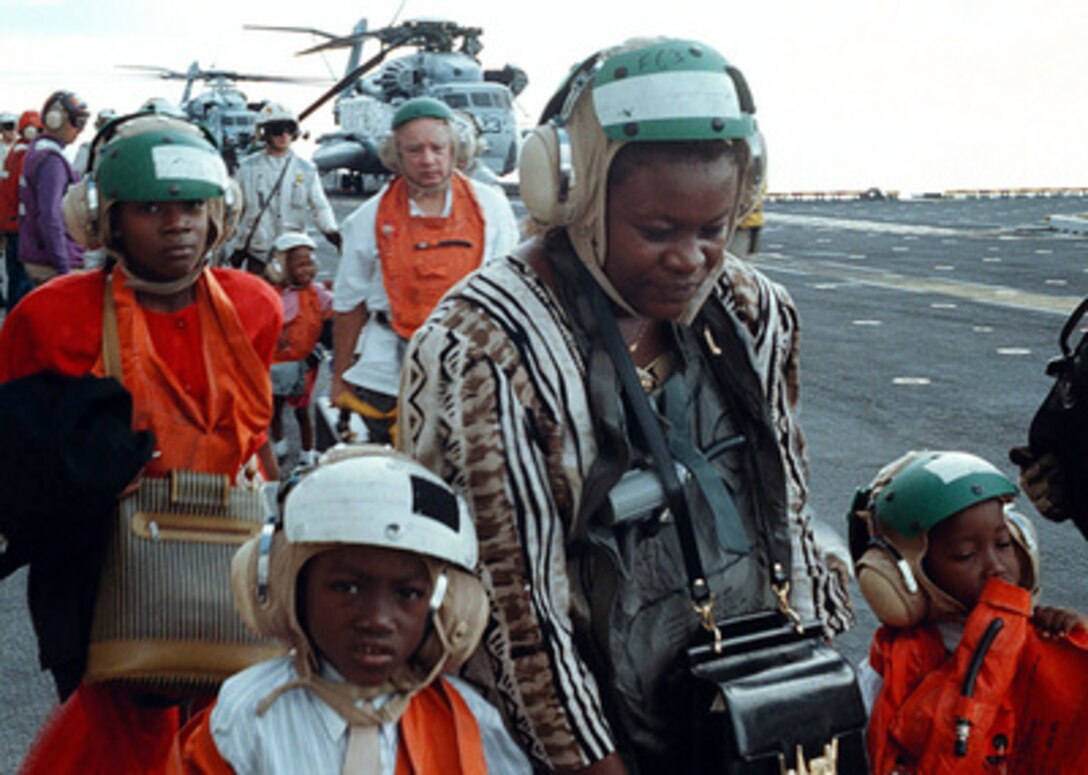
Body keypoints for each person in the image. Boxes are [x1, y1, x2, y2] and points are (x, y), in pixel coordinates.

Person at [398, 38, 853, 772]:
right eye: (657, 230)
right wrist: (588, 756)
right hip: (587, 732)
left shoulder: (751, 308)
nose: (691, 259)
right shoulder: (489, 344)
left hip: (746, 700)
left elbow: (786, 498)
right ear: (569, 192)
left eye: (714, 229)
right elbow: (516, 603)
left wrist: (807, 671)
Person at [4, 112, 283, 774]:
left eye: (191, 206)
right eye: (151, 207)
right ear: (106, 219)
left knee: (229, 730)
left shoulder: (258, 306)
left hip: (233, 563)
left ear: (220, 212)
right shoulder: (47, 316)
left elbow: (253, 434)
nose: (176, 223)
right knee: (119, 737)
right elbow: (17, 454)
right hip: (105, 572)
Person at [170, 445, 531, 774]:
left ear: (448, 607)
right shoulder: (248, 714)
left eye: (407, 593)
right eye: (347, 588)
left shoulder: (466, 721)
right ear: (288, 589)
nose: (377, 619)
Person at [850, 450, 1088, 774]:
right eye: (965, 555)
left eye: (1003, 544)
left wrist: (1072, 639)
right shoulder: (888, 671)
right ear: (902, 574)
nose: (995, 566)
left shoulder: (1040, 639)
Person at [331, 96, 519, 444]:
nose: (428, 160)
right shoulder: (368, 218)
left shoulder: (491, 207)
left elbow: (507, 293)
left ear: (456, 150)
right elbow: (347, 304)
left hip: (470, 368)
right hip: (385, 374)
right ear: (397, 157)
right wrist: (340, 378)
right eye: (414, 150)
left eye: (437, 147)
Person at [231, 102, 340, 274]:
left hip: (291, 252)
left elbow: (319, 206)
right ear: (264, 134)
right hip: (258, 252)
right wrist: (234, 246)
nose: (284, 135)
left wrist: (332, 232)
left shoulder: (306, 169)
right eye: (276, 130)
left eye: (289, 129)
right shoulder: (247, 168)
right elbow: (235, 209)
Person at [267, 230, 333, 471]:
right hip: (275, 362)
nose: (306, 269)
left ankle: (307, 452)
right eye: (299, 264)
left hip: (304, 365)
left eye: (309, 263)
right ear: (283, 266)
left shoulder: (317, 294)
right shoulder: (270, 295)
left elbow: (334, 313)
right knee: (275, 406)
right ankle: (280, 444)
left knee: (302, 410)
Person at [17, 90, 89, 287]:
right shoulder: (51, 162)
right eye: (77, 122)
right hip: (51, 263)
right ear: (56, 120)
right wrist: (63, 267)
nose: (80, 129)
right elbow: (50, 215)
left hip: (39, 255)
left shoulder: (37, 151)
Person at [0, 110, 42, 310]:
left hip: (10, 223)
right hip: (19, 225)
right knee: (22, 280)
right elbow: (24, 193)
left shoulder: (15, 151)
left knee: (14, 276)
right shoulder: (25, 155)